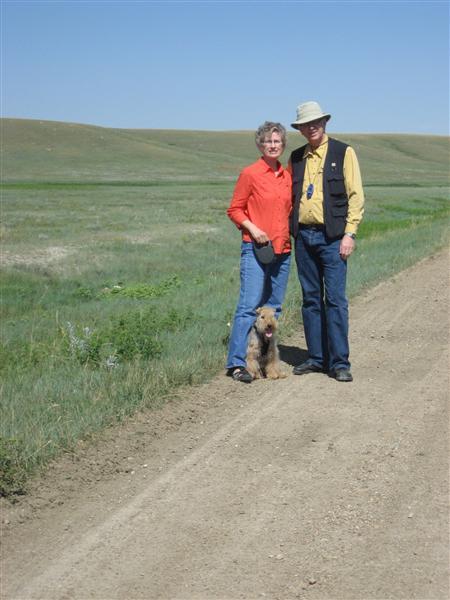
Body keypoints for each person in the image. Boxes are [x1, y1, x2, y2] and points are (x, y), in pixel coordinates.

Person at [289, 101, 364, 382]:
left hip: (333, 238)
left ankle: (340, 362)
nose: (312, 127)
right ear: (300, 129)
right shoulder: (296, 157)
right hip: (304, 237)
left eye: (316, 122)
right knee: (310, 300)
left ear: (325, 122)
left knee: (335, 300)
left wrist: (349, 233)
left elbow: (355, 195)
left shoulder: (344, 152)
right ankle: (317, 358)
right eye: (306, 124)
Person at [226, 121, 292, 383]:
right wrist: (253, 228)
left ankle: (265, 361)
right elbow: (235, 209)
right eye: (268, 141)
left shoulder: (287, 176)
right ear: (260, 144)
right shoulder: (250, 173)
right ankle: (237, 364)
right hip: (256, 249)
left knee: (273, 308)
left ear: (283, 144)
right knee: (249, 307)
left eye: (277, 141)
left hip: (283, 250)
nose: (273, 145)